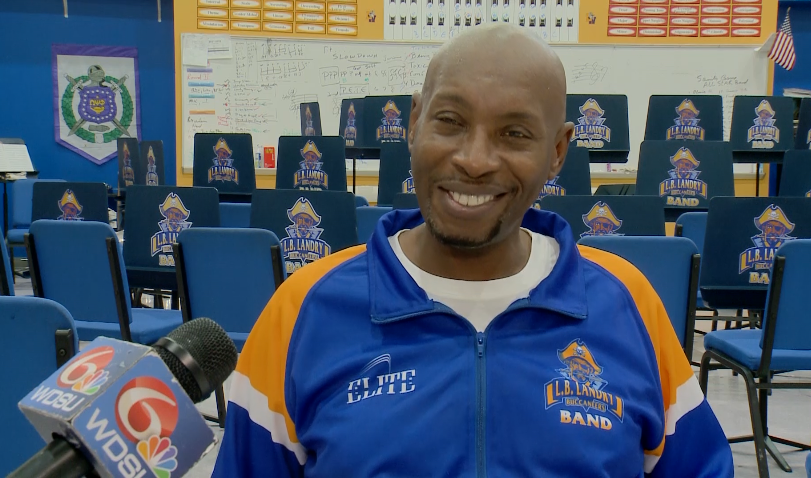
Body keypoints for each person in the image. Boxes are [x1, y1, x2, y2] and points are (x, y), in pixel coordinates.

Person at [213, 24, 733, 477]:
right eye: (450, 121)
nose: (475, 159)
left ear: (557, 152)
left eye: (514, 133)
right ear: (414, 123)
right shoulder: (301, 308)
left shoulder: (627, 302)